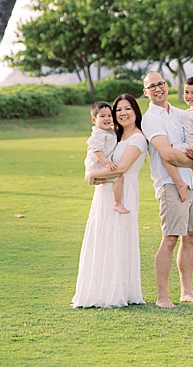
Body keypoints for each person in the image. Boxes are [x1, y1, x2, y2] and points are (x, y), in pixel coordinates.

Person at [72, 92, 147, 308]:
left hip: (124, 190)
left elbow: (122, 168)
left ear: (135, 112)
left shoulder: (138, 138)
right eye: (119, 110)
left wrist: (91, 175)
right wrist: (92, 174)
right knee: (103, 239)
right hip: (105, 192)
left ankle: (118, 292)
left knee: (118, 240)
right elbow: (96, 153)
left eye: (127, 109)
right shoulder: (114, 135)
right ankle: (98, 292)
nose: (122, 113)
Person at [142, 71, 193, 308]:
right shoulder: (150, 119)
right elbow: (167, 153)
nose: (158, 89)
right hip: (170, 184)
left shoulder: (183, 114)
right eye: (152, 86)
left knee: (191, 236)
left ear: (167, 85)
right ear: (146, 92)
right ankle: (162, 297)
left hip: (192, 181)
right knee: (170, 239)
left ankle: (186, 292)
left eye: (161, 84)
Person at [84, 102, 129, 215]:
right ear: (94, 120)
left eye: (109, 115)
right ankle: (117, 202)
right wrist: (107, 162)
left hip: (101, 165)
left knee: (115, 178)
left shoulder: (110, 130)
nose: (107, 118)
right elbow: (97, 151)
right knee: (119, 177)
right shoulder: (98, 134)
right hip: (97, 165)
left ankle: (116, 201)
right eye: (102, 116)